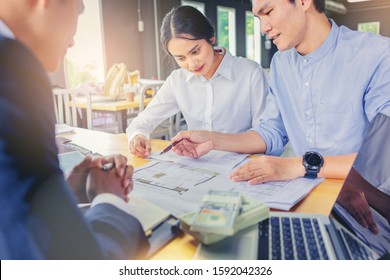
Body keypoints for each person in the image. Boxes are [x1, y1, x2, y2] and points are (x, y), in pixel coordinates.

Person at [170, 0, 390, 185]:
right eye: (258, 18)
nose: (263, 27)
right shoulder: (281, 64)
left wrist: (297, 166)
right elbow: (271, 131)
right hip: (307, 192)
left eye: (268, 11)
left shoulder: (376, 55)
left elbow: (381, 163)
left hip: (369, 206)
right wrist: (211, 139)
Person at [0, 0, 149, 259]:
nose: (72, 43)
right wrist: (108, 199)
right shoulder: (11, 69)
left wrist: (59, 193)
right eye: (79, 10)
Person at [127, 5, 268, 158]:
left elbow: (267, 134)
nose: (192, 64)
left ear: (211, 37)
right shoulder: (177, 80)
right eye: (181, 58)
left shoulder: (250, 73)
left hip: (243, 165)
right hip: (198, 167)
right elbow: (143, 120)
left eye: (195, 51)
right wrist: (137, 136)